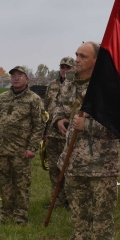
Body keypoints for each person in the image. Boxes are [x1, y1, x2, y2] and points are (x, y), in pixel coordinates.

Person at [52, 42, 119, 240]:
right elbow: (59, 105)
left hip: (101, 167)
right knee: (79, 220)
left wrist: (87, 126)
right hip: (73, 164)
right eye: (76, 54)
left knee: (101, 221)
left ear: (96, 61)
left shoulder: (108, 88)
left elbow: (118, 127)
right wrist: (59, 118)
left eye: (83, 56)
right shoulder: (70, 83)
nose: (77, 59)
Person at [0, 66, 46, 225]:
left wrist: (32, 147)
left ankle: (20, 216)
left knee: (21, 184)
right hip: (3, 149)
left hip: (21, 151)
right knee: (5, 183)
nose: (16, 78)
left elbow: (39, 125)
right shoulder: (2, 98)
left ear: (26, 79)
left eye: (20, 75)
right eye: (13, 75)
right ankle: (6, 214)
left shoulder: (33, 99)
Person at [42, 56, 75, 209]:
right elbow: (46, 109)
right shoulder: (52, 85)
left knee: (68, 168)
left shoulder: (75, 86)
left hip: (67, 135)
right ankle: (57, 200)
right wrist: (44, 131)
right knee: (54, 169)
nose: (64, 70)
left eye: (68, 68)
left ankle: (71, 200)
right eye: (62, 67)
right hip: (51, 134)